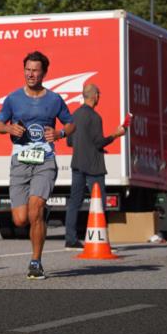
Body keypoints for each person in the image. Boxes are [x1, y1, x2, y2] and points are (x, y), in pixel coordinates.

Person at [0, 51, 75, 280]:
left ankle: (35, 262)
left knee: (35, 210)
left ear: (44, 73)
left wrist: (59, 133)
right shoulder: (13, 99)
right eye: (27, 69)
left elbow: (71, 124)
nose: (30, 74)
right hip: (20, 161)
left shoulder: (54, 99)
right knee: (20, 219)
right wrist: (8, 128)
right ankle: (41, 214)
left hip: (45, 161)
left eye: (35, 70)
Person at [63, 84, 126, 249]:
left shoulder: (74, 115)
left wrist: (84, 145)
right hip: (94, 167)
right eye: (99, 94)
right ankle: (100, 239)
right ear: (95, 96)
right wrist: (115, 135)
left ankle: (70, 239)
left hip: (77, 164)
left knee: (74, 203)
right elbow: (98, 142)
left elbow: (70, 141)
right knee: (99, 203)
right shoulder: (95, 117)